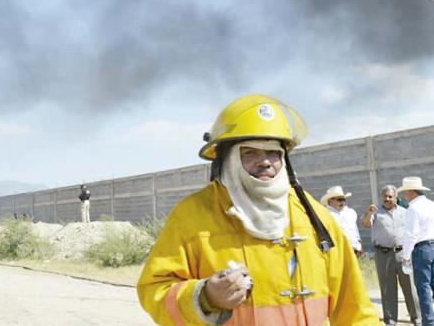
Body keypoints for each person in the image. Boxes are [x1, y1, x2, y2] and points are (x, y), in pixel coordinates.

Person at [137, 94, 379, 325]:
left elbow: (355, 308)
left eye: (273, 152)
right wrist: (205, 298)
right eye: (250, 152)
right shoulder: (191, 216)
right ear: (226, 158)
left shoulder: (313, 215)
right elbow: (155, 290)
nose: (265, 161)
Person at [362, 185, 421, 326]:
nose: (387, 199)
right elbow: (365, 224)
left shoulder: (405, 212)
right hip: (383, 255)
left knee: (410, 288)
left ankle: (417, 319)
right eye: (385, 196)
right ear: (382, 197)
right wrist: (368, 213)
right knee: (387, 289)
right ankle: (391, 321)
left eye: (390, 196)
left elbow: (413, 231)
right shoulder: (374, 212)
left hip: (402, 254)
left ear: (396, 198)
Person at [400, 177, 434, 325]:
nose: (403, 195)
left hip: (422, 249)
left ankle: (429, 322)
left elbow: (410, 234)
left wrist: (406, 256)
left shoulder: (413, 209)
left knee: (423, 287)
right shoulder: (431, 204)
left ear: (410, 191)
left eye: (405, 192)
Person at [320, 185, 362, 257]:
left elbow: (355, 229)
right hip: (337, 251)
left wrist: (359, 244)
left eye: (344, 199)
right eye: (339, 199)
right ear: (330, 200)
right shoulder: (325, 214)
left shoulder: (350, 212)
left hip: (353, 250)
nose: (342, 202)